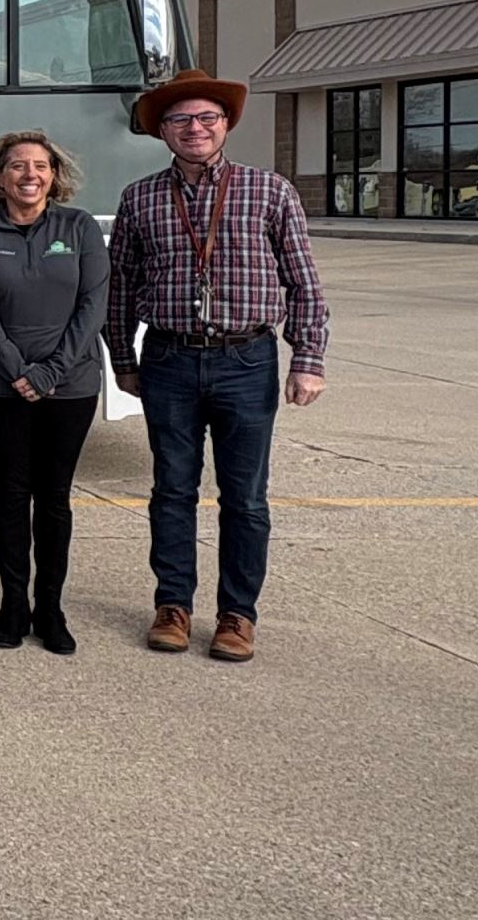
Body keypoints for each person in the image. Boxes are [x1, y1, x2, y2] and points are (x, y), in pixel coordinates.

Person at [108, 70, 328, 664]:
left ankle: (237, 614)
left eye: (206, 117)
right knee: (171, 490)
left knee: (246, 498)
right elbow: (122, 288)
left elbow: (304, 283)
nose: (195, 128)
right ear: (163, 132)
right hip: (170, 359)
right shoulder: (140, 197)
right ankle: (173, 605)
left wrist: (307, 359)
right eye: (180, 120)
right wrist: (122, 358)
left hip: (247, 359)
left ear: (225, 125)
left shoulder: (270, 191)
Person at [0, 131, 109, 655]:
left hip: (70, 387)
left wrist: (50, 372)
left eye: (40, 166)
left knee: (55, 499)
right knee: (11, 495)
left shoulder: (79, 226)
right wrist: (18, 369)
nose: (29, 175)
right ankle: (13, 606)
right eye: (17, 166)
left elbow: (92, 307)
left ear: (54, 174)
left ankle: (51, 608)